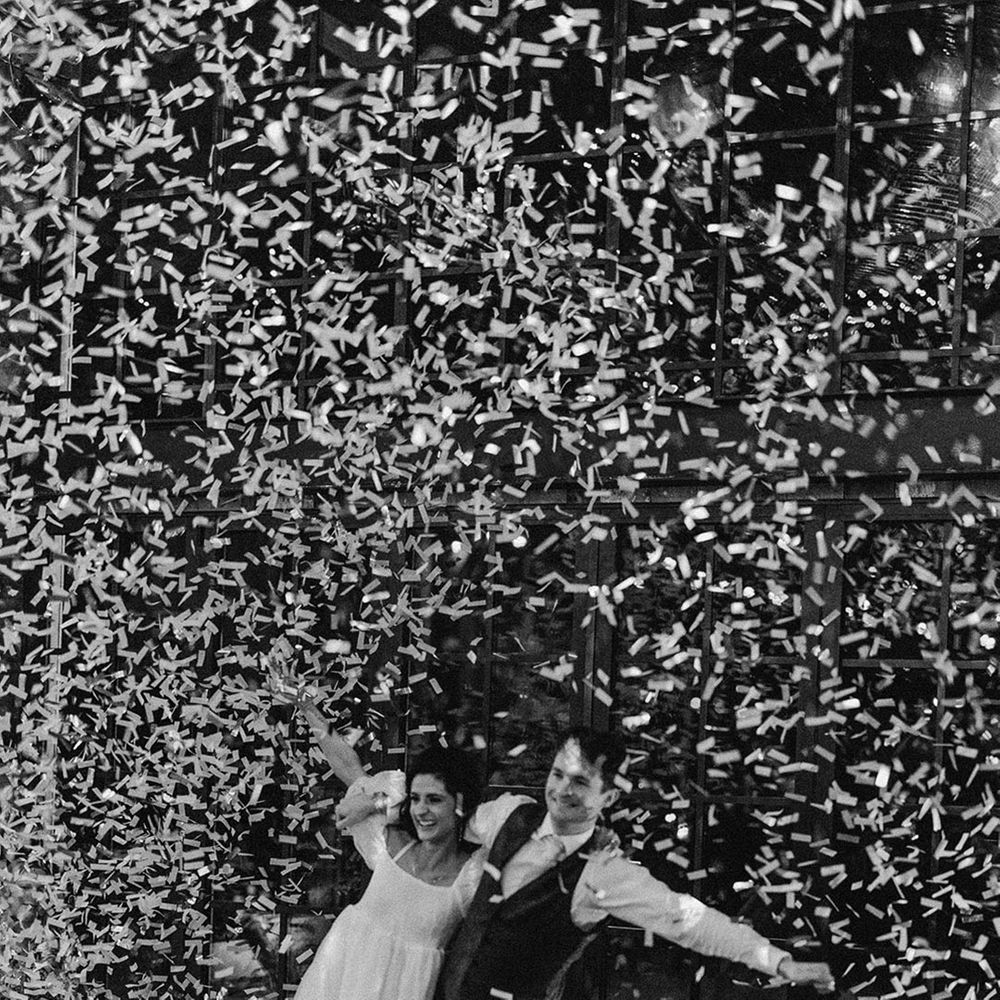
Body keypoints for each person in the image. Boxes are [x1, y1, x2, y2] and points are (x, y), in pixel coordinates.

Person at [426, 726, 836, 1000]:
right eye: (557, 773)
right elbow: (445, 822)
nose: (562, 789)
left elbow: (686, 920)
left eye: (581, 781)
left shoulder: (602, 873)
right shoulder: (509, 814)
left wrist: (777, 960)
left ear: (609, 798)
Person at [275, 686, 486, 1000]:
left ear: (459, 804)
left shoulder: (471, 876)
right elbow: (349, 767)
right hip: (340, 977)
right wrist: (307, 706)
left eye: (434, 800)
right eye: (416, 799)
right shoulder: (391, 841)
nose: (422, 810)